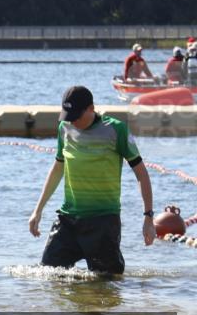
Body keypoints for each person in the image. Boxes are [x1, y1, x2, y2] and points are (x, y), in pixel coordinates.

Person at [28, 86, 156, 274]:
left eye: (76, 116)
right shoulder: (65, 128)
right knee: (48, 274)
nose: (72, 121)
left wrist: (148, 217)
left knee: (107, 284)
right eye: (68, 116)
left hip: (103, 221)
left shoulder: (115, 130)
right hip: (68, 220)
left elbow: (141, 174)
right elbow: (57, 168)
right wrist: (37, 210)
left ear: (91, 108)